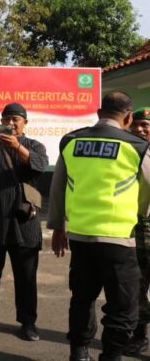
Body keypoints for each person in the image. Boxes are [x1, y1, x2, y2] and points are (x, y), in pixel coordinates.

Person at [49, 92, 150, 361]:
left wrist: (58, 226)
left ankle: (79, 353)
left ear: (98, 112)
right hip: (119, 240)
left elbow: (58, 186)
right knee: (123, 308)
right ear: (128, 117)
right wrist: (141, 212)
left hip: (80, 238)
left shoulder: (71, 141)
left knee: (82, 299)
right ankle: (112, 356)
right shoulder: (138, 146)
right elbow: (147, 191)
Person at [0, 102, 48, 341]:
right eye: (6, 119)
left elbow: (39, 166)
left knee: (26, 278)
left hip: (24, 224)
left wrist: (18, 147)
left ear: (25, 123)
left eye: (15, 120)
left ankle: (28, 323)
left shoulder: (33, 145)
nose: (10, 124)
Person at [125, 107, 150, 355]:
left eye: (146, 125)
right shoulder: (128, 153)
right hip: (134, 225)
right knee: (138, 284)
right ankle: (139, 335)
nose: (140, 130)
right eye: (137, 125)